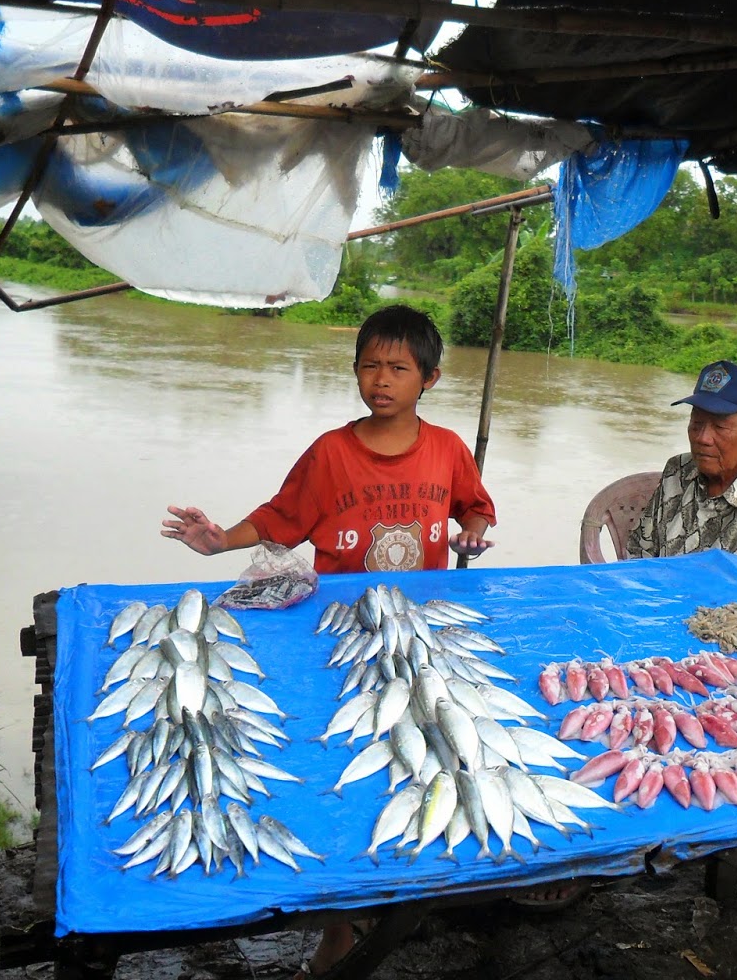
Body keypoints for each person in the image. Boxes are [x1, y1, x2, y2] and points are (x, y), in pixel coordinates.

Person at [161, 303, 494, 977]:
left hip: (419, 627)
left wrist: (474, 531)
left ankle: (414, 879)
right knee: (346, 754)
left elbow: (475, 504)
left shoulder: (450, 449)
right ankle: (339, 925)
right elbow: (280, 519)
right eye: (369, 365)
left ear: (428, 378)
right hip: (344, 628)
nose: (381, 379)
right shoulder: (331, 454)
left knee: (428, 750)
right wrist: (219, 538)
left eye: (398, 368)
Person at [627, 360, 737, 590]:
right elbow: (638, 556)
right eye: (697, 423)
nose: (703, 438)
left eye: (720, 427)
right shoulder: (677, 471)